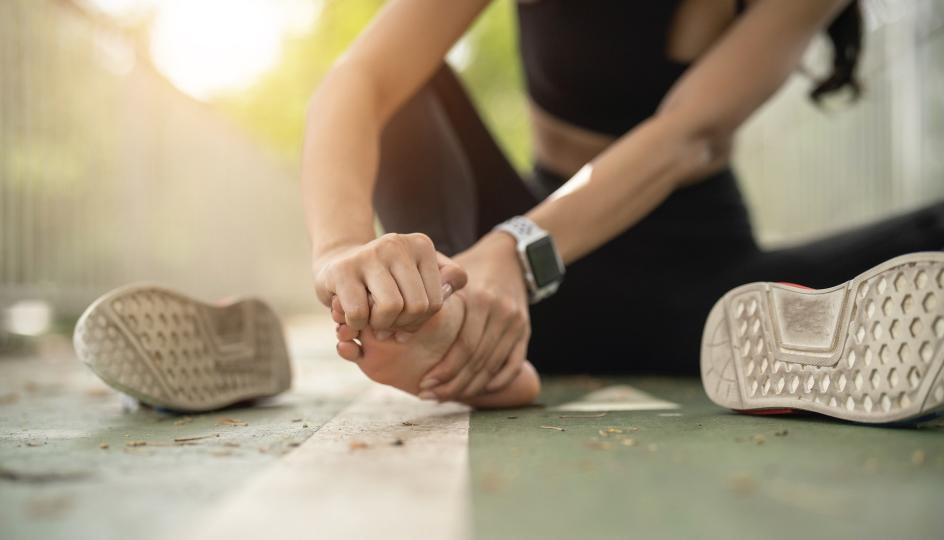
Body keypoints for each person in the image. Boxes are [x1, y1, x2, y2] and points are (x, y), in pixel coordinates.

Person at [302, 0, 944, 418]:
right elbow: (362, 78)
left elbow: (687, 135)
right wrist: (340, 252)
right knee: (407, 89)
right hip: (494, 270)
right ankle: (456, 327)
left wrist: (516, 251)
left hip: (689, 279)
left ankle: (478, 347)